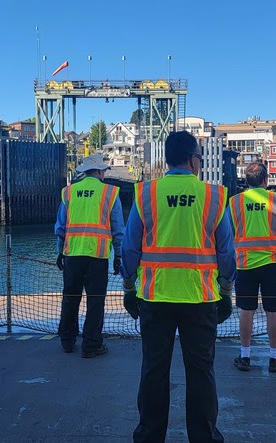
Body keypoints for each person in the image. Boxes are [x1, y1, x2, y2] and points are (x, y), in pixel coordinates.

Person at [120, 131, 236, 443]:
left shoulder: (146, 194)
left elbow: (130, 249)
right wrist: (225, 289)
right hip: (200, 300)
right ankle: (204, 437)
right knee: (201, 372)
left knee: (154, 370)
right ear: (193, 159)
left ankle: (149, 436)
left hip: (155, 298)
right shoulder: (213, 196)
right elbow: (226, 252)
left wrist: (129, 284)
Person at [54, 154, 124, 358]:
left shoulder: (69, 192)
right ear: (101, 172)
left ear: (83, 172)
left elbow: (61, 226)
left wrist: (60, 251)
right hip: (98, 255)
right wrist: (118, 256)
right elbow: (118, 229)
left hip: (72, 254)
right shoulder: (110, 193)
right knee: (95, 301)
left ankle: (67, 340)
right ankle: (91, 344)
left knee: (70, 297)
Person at [229, 162, 276, 373]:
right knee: (273, 312)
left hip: (244, 265)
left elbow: (226, 236)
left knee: (246, 311)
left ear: (246, 181)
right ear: (266, 180)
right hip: (273, 265)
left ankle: (245, 356)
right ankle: (274, 358)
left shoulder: (235, 203)